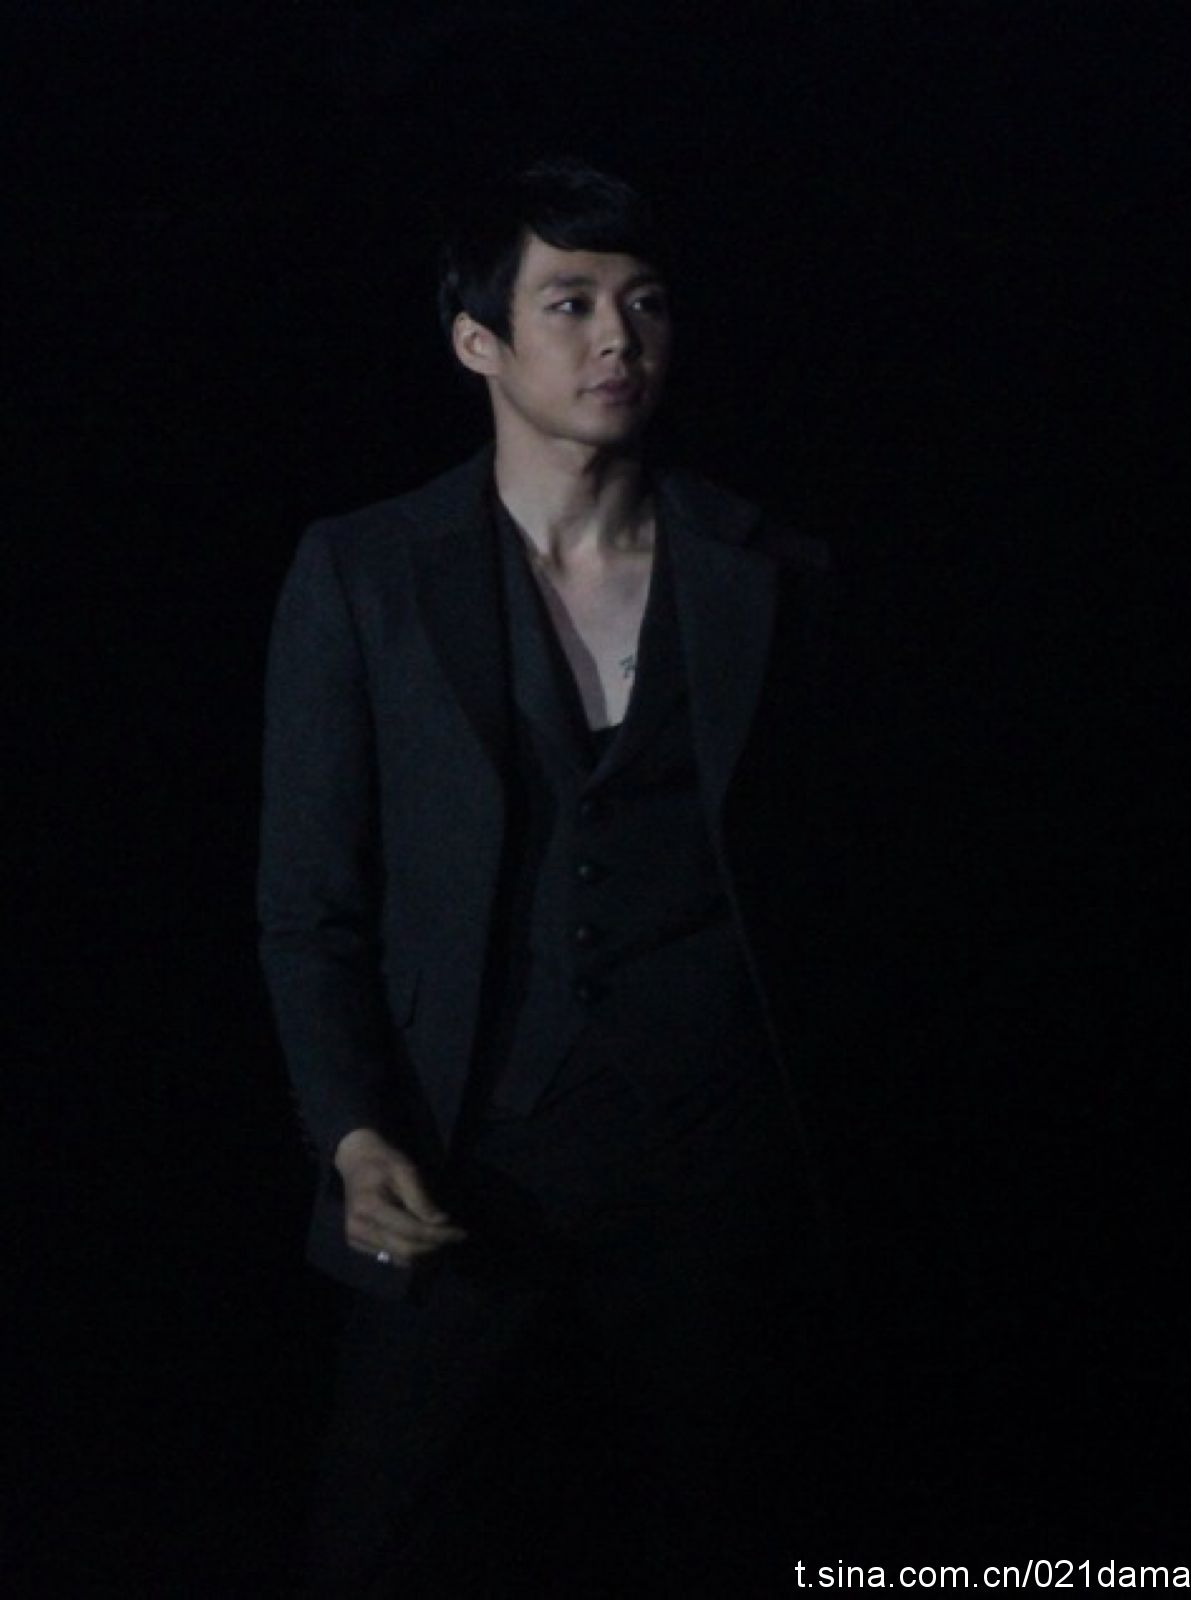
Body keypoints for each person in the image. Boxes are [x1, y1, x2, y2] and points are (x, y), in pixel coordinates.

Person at [258, 157, 834, 1597]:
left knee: (724, 1534)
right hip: (466, 1143)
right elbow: (309, 904)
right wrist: (353, 1134)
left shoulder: (768, 569)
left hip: (712, 1152)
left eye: (645, 303)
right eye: (569, 303)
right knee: (382, 1541)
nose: (617, 338)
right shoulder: (363, 572)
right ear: (479, 341)